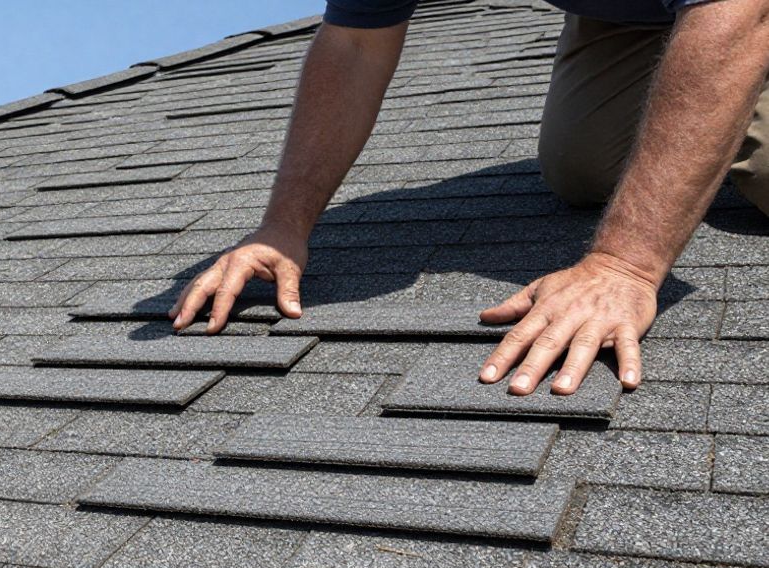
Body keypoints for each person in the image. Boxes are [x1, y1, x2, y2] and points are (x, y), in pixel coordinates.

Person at [169, 0, 769, 395]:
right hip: (634, 15)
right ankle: (715, 73)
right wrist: (282, 226)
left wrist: (625, 265)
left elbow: (735, 10)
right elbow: (354, 44)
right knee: (585, 170)